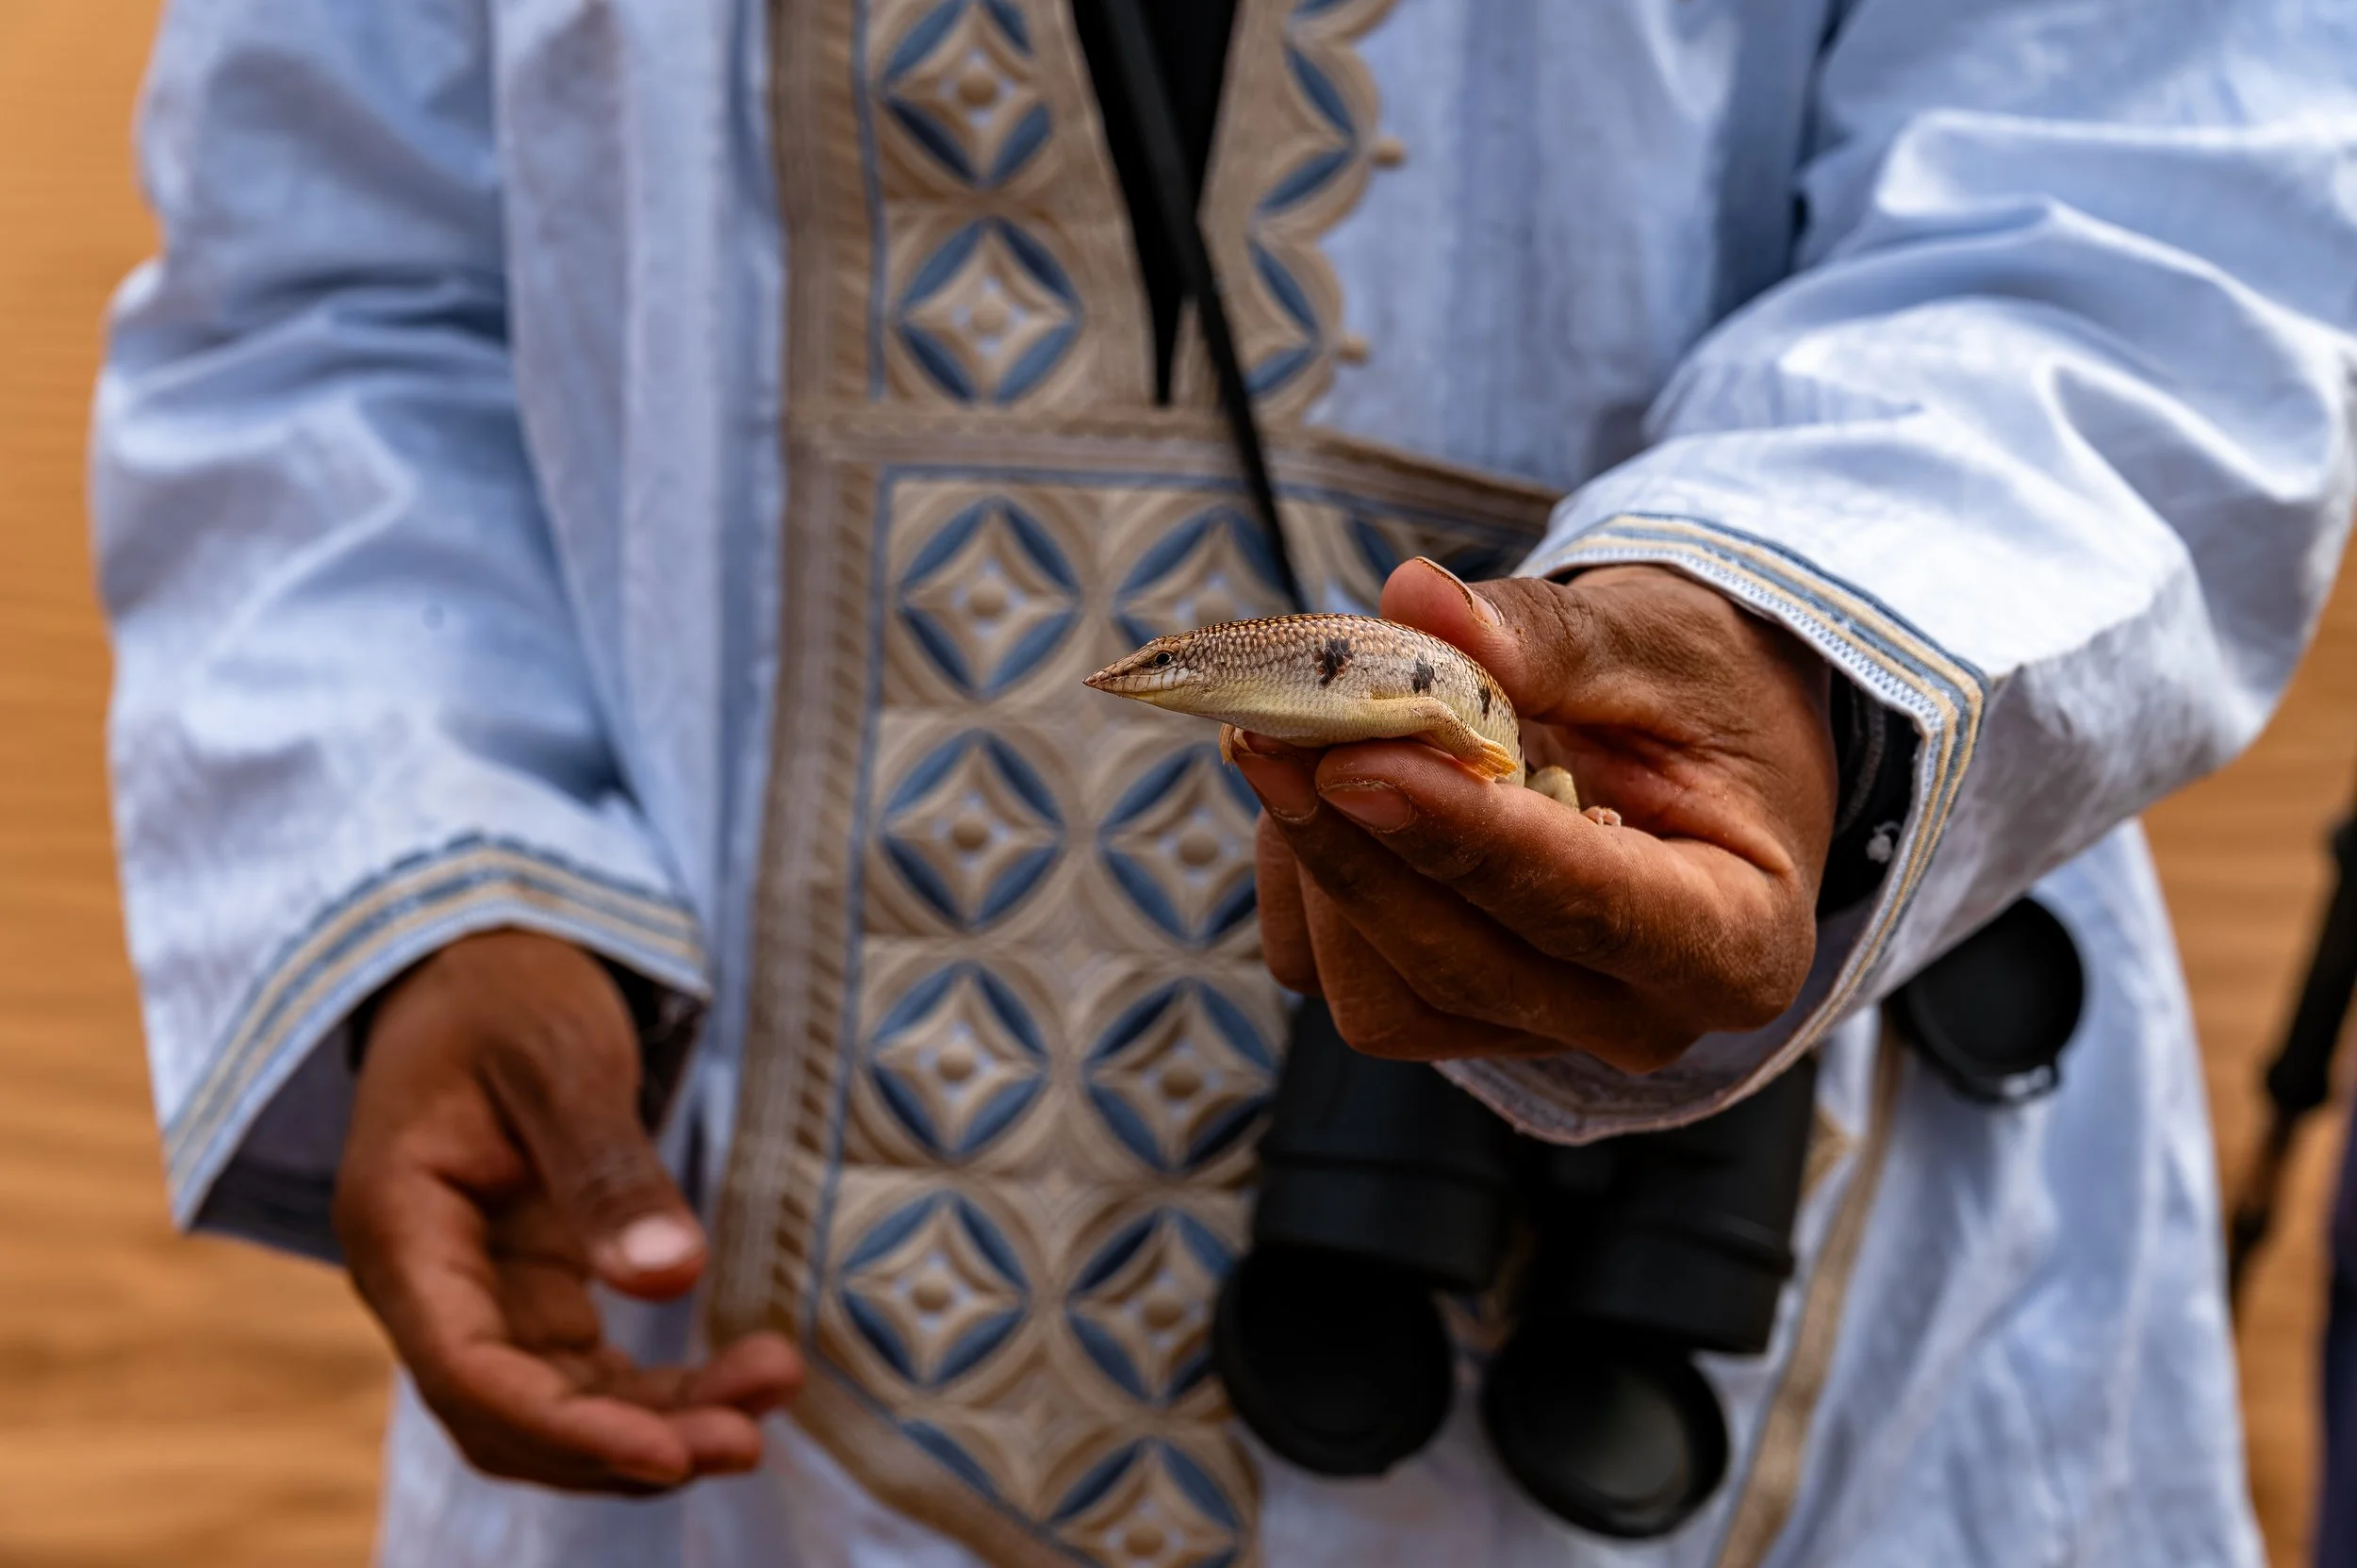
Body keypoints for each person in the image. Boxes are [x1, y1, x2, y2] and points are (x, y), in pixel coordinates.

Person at [91, 0, 2356, 1562]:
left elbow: (2165, 203)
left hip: (1808, 1369)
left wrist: (1800, 639)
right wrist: (450, 876)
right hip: (743, 1390)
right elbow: (327, 295)